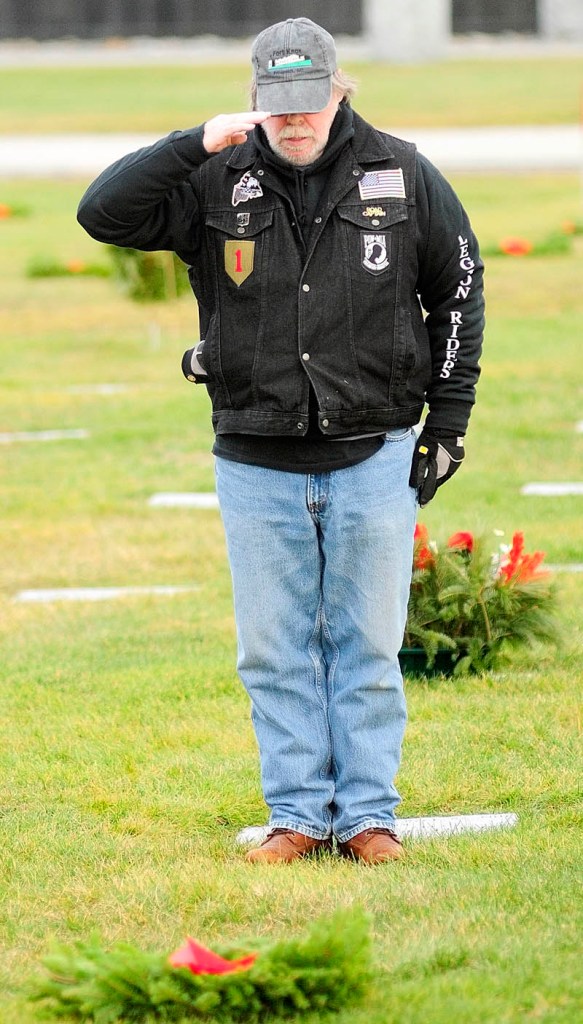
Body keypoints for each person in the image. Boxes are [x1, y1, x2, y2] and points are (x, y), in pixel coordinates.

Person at [77, 18, 484, 865]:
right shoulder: (213, 178)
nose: (294, 121)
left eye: (309, 102)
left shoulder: (403, 174)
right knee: (272, 652)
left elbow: (459, 296)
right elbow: (101, 213)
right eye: (276, 105)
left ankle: (368, 817)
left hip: (372, 450)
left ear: (340, 92)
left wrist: (445, 425)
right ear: (254, 101)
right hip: (253, 456)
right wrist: (191, 142)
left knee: (366, 647)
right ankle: (297, 816)